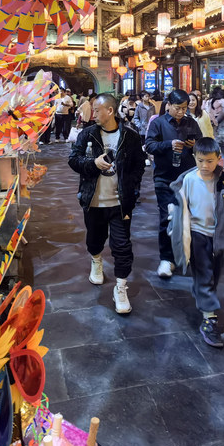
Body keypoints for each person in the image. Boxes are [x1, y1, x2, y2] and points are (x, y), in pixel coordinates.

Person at [167, 137, 224, 348]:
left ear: (219, 159)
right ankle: (209, 318)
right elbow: (177, 204)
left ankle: (203, 294)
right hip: (197, 234)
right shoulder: (188, 180)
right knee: (204, 275)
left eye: (209, 161)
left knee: (214, 275)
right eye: (200, 160)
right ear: (194, 157)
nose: (204, 165)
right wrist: (175, 225)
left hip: (218, 236)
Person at [68, 94, 147, 314]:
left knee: (122, 246)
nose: (93, 114)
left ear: (109, 111)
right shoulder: (87, 134)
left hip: (120, 203)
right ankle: (96, 260)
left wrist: (132, 187)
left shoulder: (130, 136)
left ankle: (120, 287)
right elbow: (73, 160)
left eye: (96, 109)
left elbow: (139, 165)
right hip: (94, 201)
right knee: (95, 240)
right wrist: (93, 163)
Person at [145, 89, 202, 279]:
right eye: (178, 108)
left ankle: (185, 254)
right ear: (168, 105)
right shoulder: (158, 123)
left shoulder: (190, 122)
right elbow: (149, 145)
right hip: (164, 177)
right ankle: (166, 259)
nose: (181, 112)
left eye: (184, 108)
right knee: (166, 218)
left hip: (188, 177)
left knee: (188, 217)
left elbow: (202, 144)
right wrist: (168, 144)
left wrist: (194, 145)